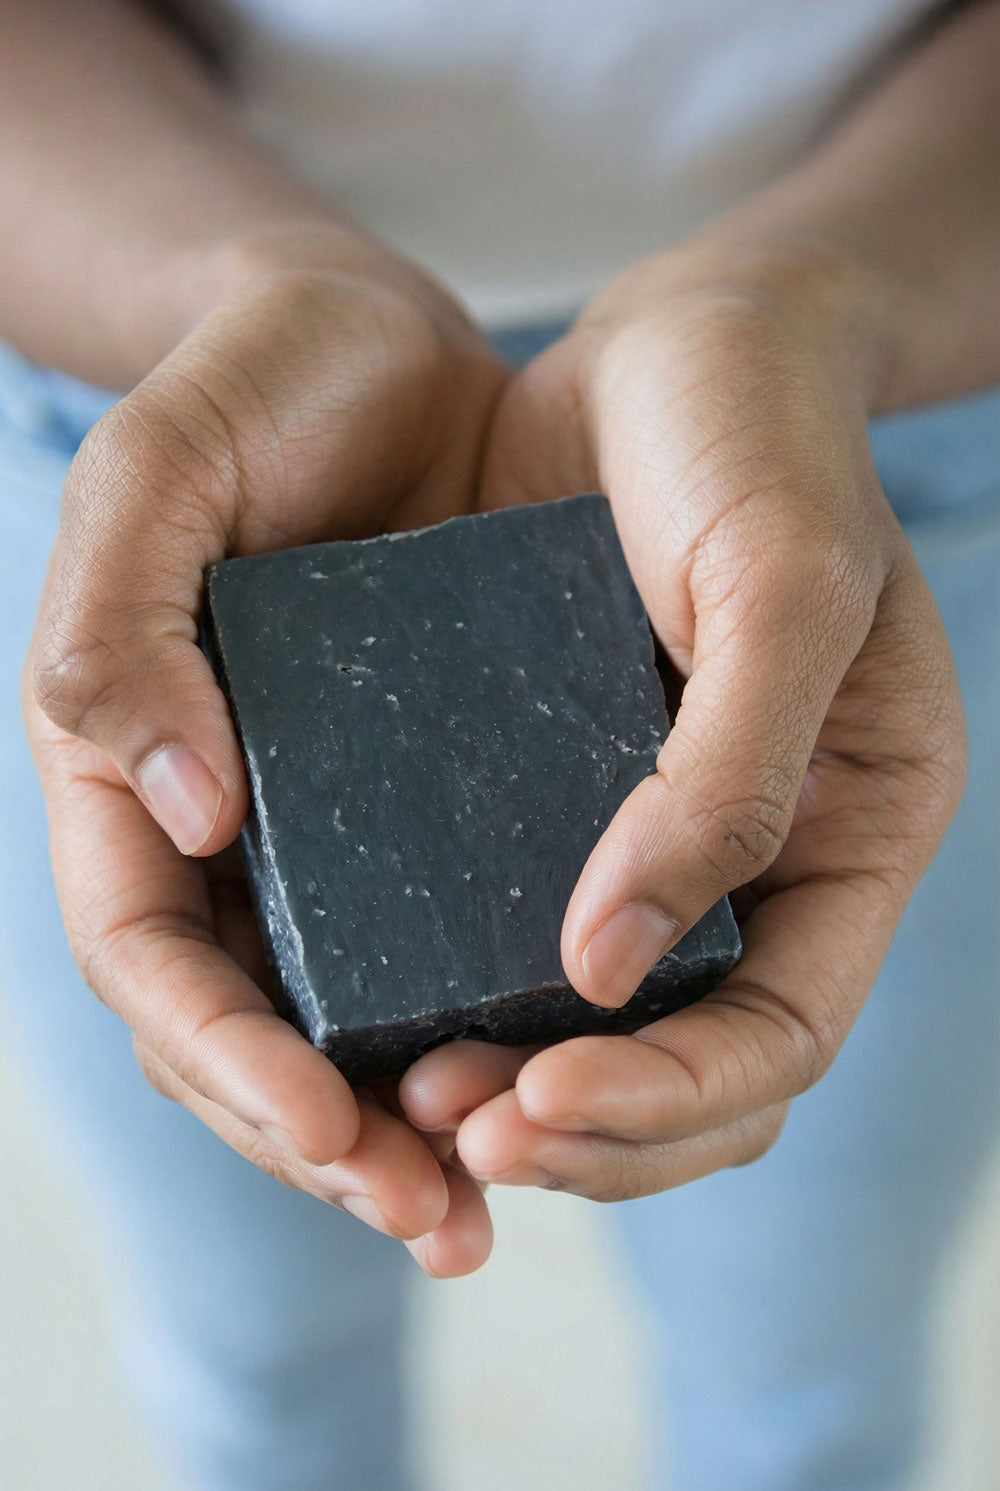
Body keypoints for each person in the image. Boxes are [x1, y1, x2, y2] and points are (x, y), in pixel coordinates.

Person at [1, 0, 997, 1486]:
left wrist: (796, 296)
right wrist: (260, 279)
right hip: (154, 396)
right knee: (253, 1345)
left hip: (865, 431)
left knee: (806, 1364)